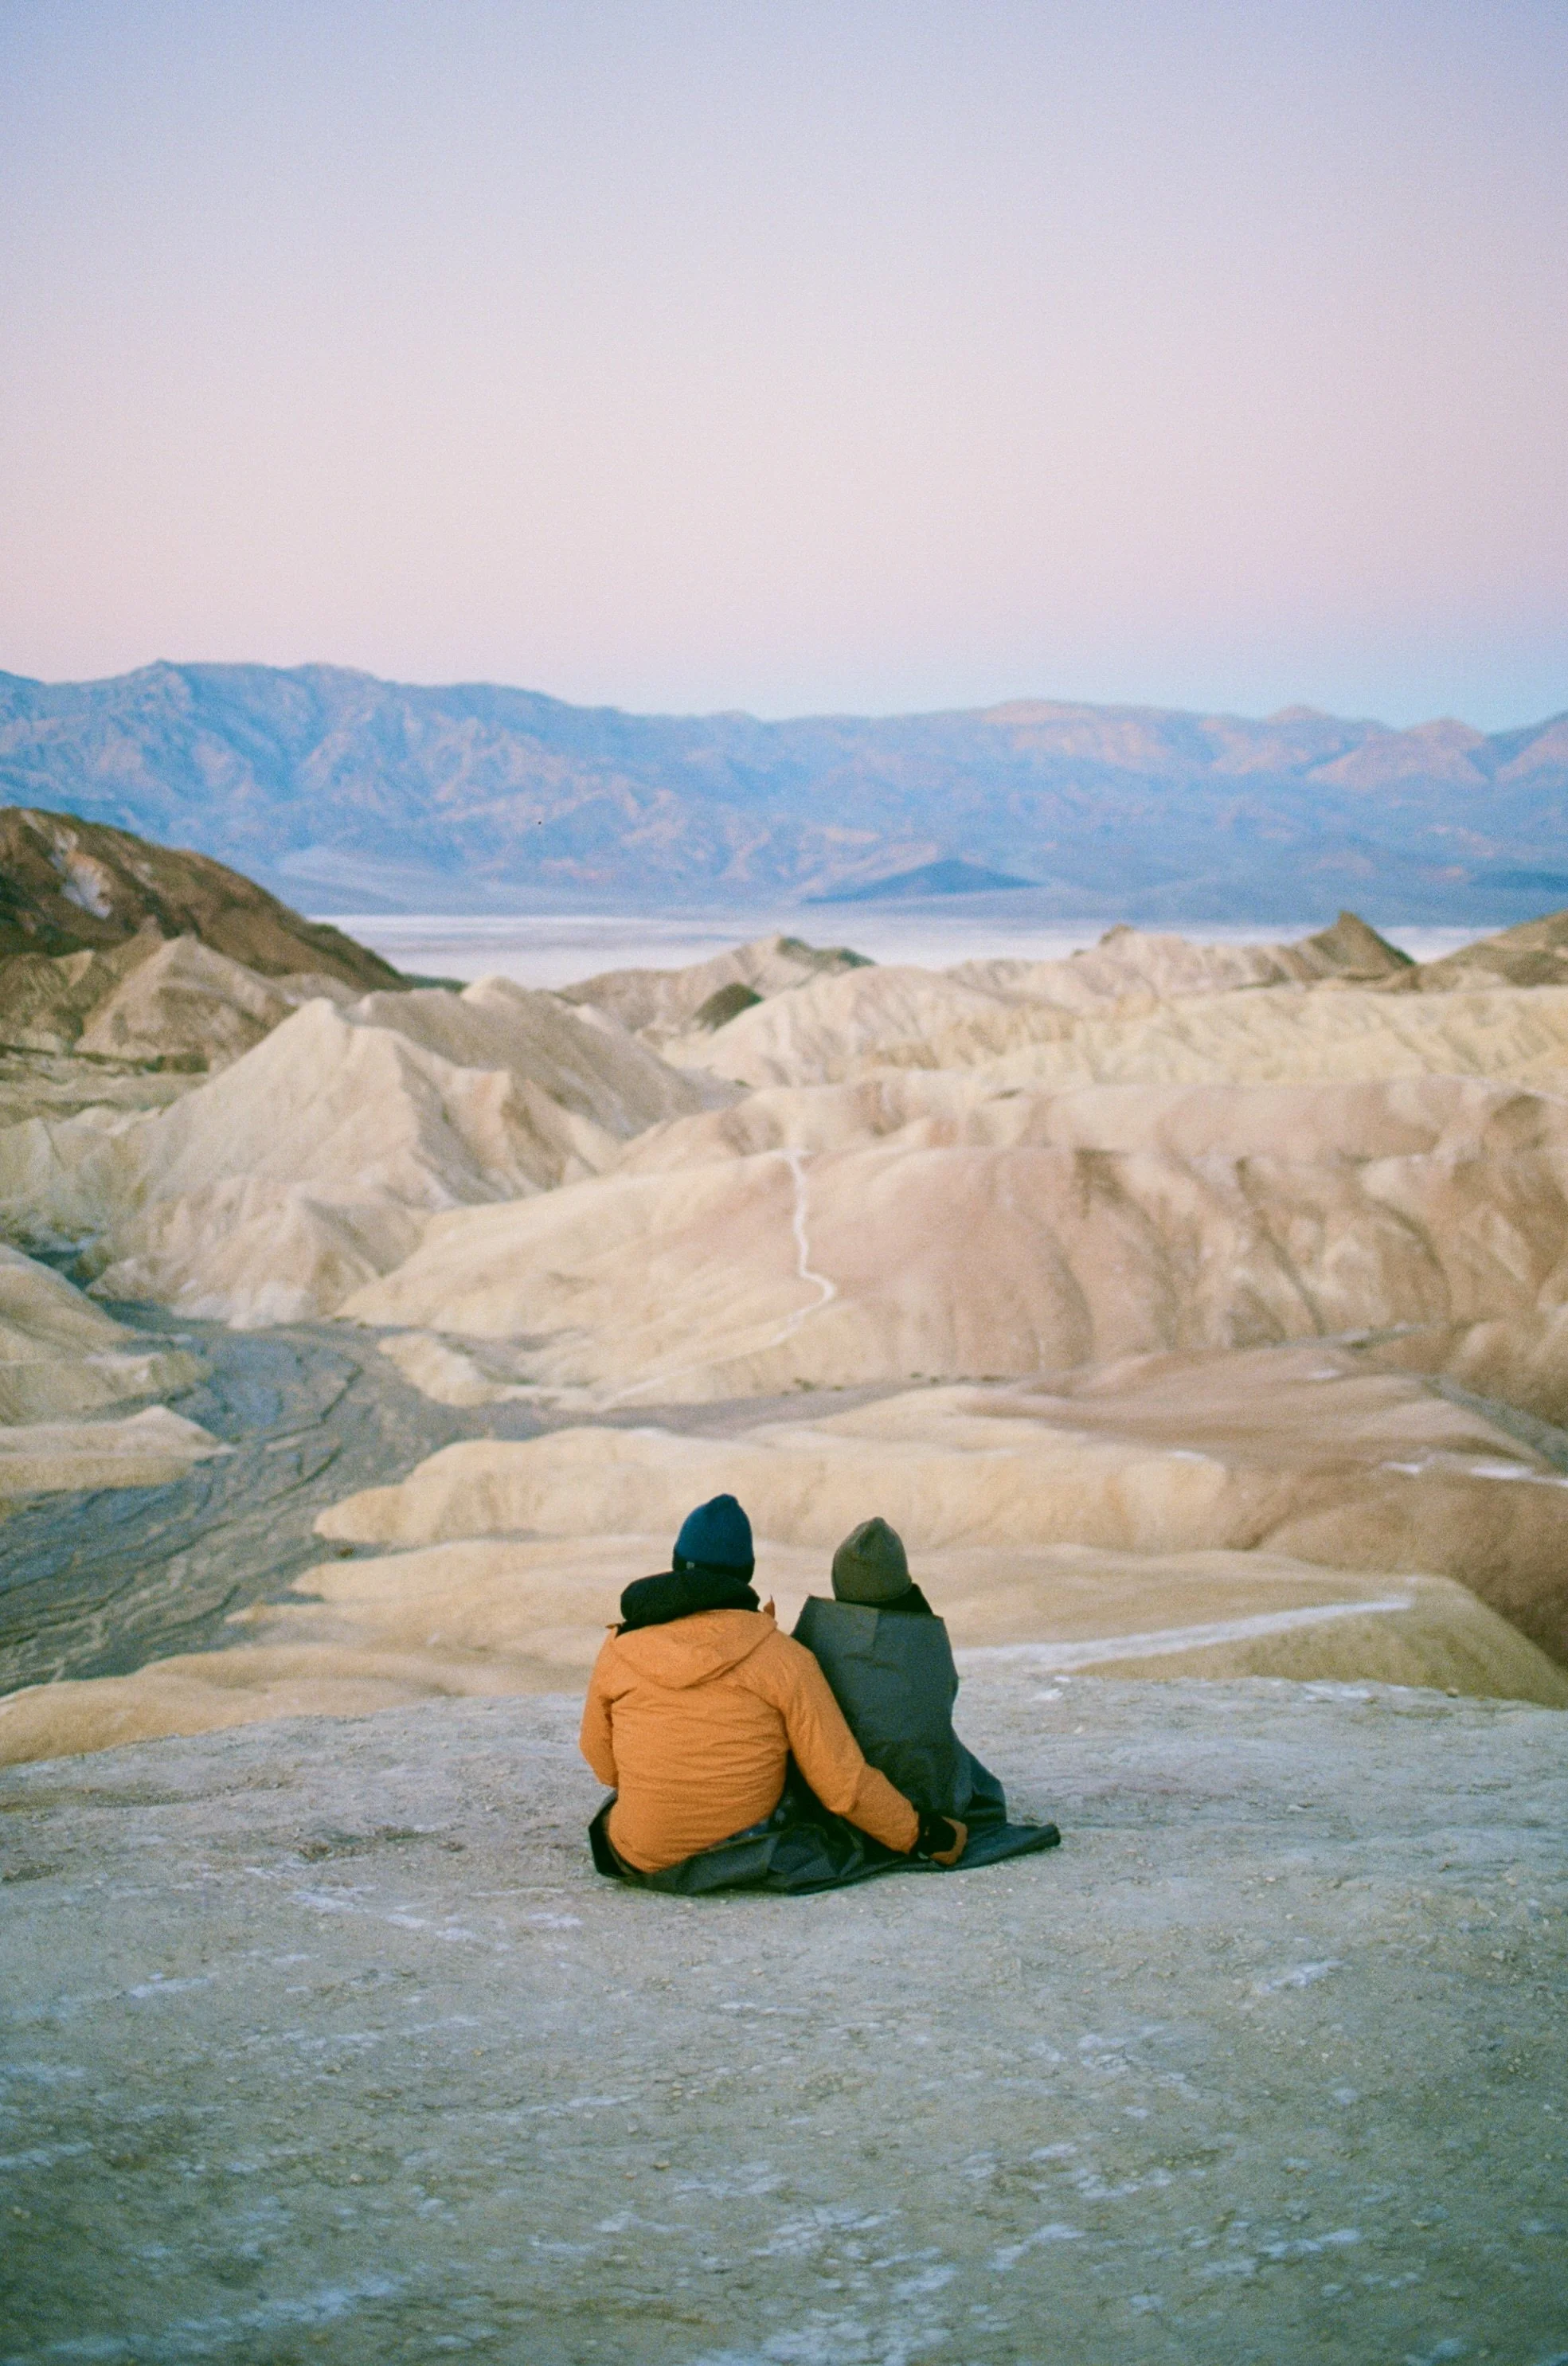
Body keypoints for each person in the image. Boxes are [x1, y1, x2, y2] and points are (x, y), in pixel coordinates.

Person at [580, 1494, 968, 1893]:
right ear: (746, 1572)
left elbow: (603, 1763)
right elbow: (841, 1784)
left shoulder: (619, 1648)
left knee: (619, 1817)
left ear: (677, 1563)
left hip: (642, 1856)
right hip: (751, 1849)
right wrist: (921, 1835)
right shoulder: (785, 1658)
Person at [792, 1517, 1060, 1867]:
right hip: (930, 1791)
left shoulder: (817, 1639)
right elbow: (945, 1696)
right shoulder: (927, 1638)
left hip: (848, 1802)